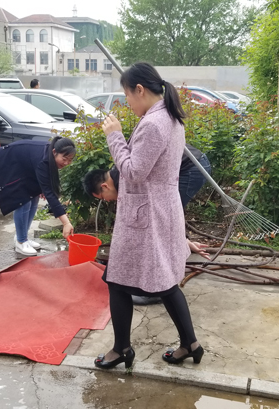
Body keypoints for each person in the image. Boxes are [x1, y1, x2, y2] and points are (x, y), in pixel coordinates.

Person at [95, 62, 203, 369]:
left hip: (145, 215)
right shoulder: (170, 117)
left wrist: (115, 137)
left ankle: (122, 349)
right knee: (164, 281)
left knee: (118, 280)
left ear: (140, 90)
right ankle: (190, 344)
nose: (127, 102)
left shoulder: (154, 123)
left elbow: (133, 172)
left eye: (127, 95)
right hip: (160, 209)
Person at [83, 158, 211, 305]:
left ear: (105, 186)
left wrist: (182, 241)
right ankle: (161, 283)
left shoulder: (125, 181)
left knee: (164, 211)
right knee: (162, 216)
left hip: (192, 166)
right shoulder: (121, 175)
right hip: (188, 163)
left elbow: (161, 219)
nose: (106, 200)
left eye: (102, 198)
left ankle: (156, 291)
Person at [0, 136, 76, 257]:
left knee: (33, 197)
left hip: (22, 167)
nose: (66, 163)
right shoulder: (43, 160)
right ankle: (21, 242)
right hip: (6, 163)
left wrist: (41, 188)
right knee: (23, 201)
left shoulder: (48, 155)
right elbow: (50, 194)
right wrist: (66, 223)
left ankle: (23, 237)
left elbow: (45, 180)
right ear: (54, 152)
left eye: (70, 160)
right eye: (64, 159)